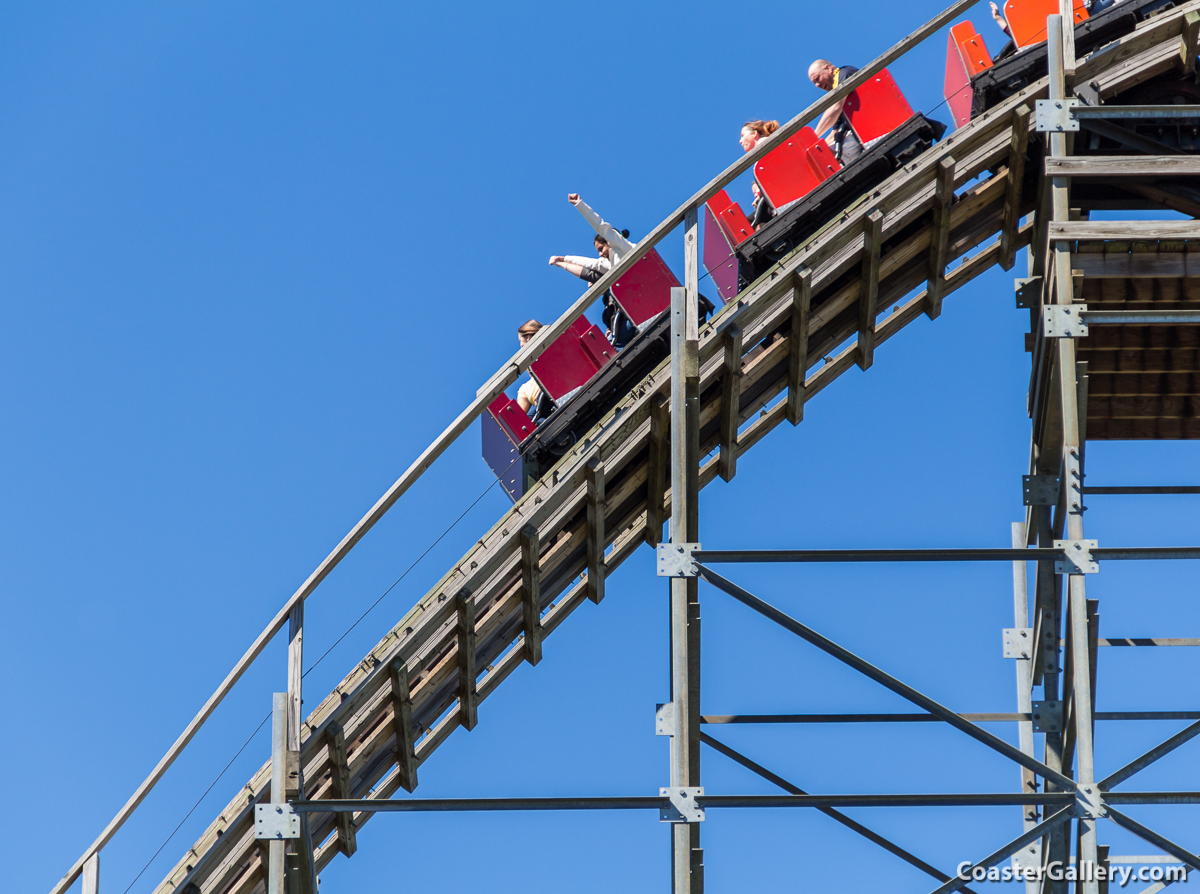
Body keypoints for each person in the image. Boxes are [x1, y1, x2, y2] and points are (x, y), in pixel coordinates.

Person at [549, 194, 638, 349]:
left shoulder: (623, 248)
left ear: (610, 242)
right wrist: (563, 260)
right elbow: (590, 264)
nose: (600, 253)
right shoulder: (609, 263)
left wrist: (580, 204)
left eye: (601, 248)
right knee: (595, 276)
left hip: (639, 292)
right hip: (632, 301)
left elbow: (601, 226)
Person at [808, 59, 865, 164]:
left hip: (866, 127)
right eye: (814, 83)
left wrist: (813, 138)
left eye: (817, 79)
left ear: (828, 69)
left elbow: (835, 108)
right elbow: (835, 131)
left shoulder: (844, 72)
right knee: (822, 154)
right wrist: (819, 146)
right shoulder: (836, 93)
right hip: (854, 136)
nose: (817, 85)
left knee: (826, 159)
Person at [739, 120, 779, 227]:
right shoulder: (759, 157)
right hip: (775, 195)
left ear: (754, 134)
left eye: (743, 136)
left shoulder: (764, 144)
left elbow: (772, 171)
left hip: (779, 193)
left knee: (748, 223)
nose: (740, 141)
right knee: (754, 223)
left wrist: (759, 192)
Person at [515, 320, 544, 415]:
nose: (520, 345)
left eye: (520, 341)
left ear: (528, 338)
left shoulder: (553, 357)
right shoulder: (525, 388)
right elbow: (519, 417)